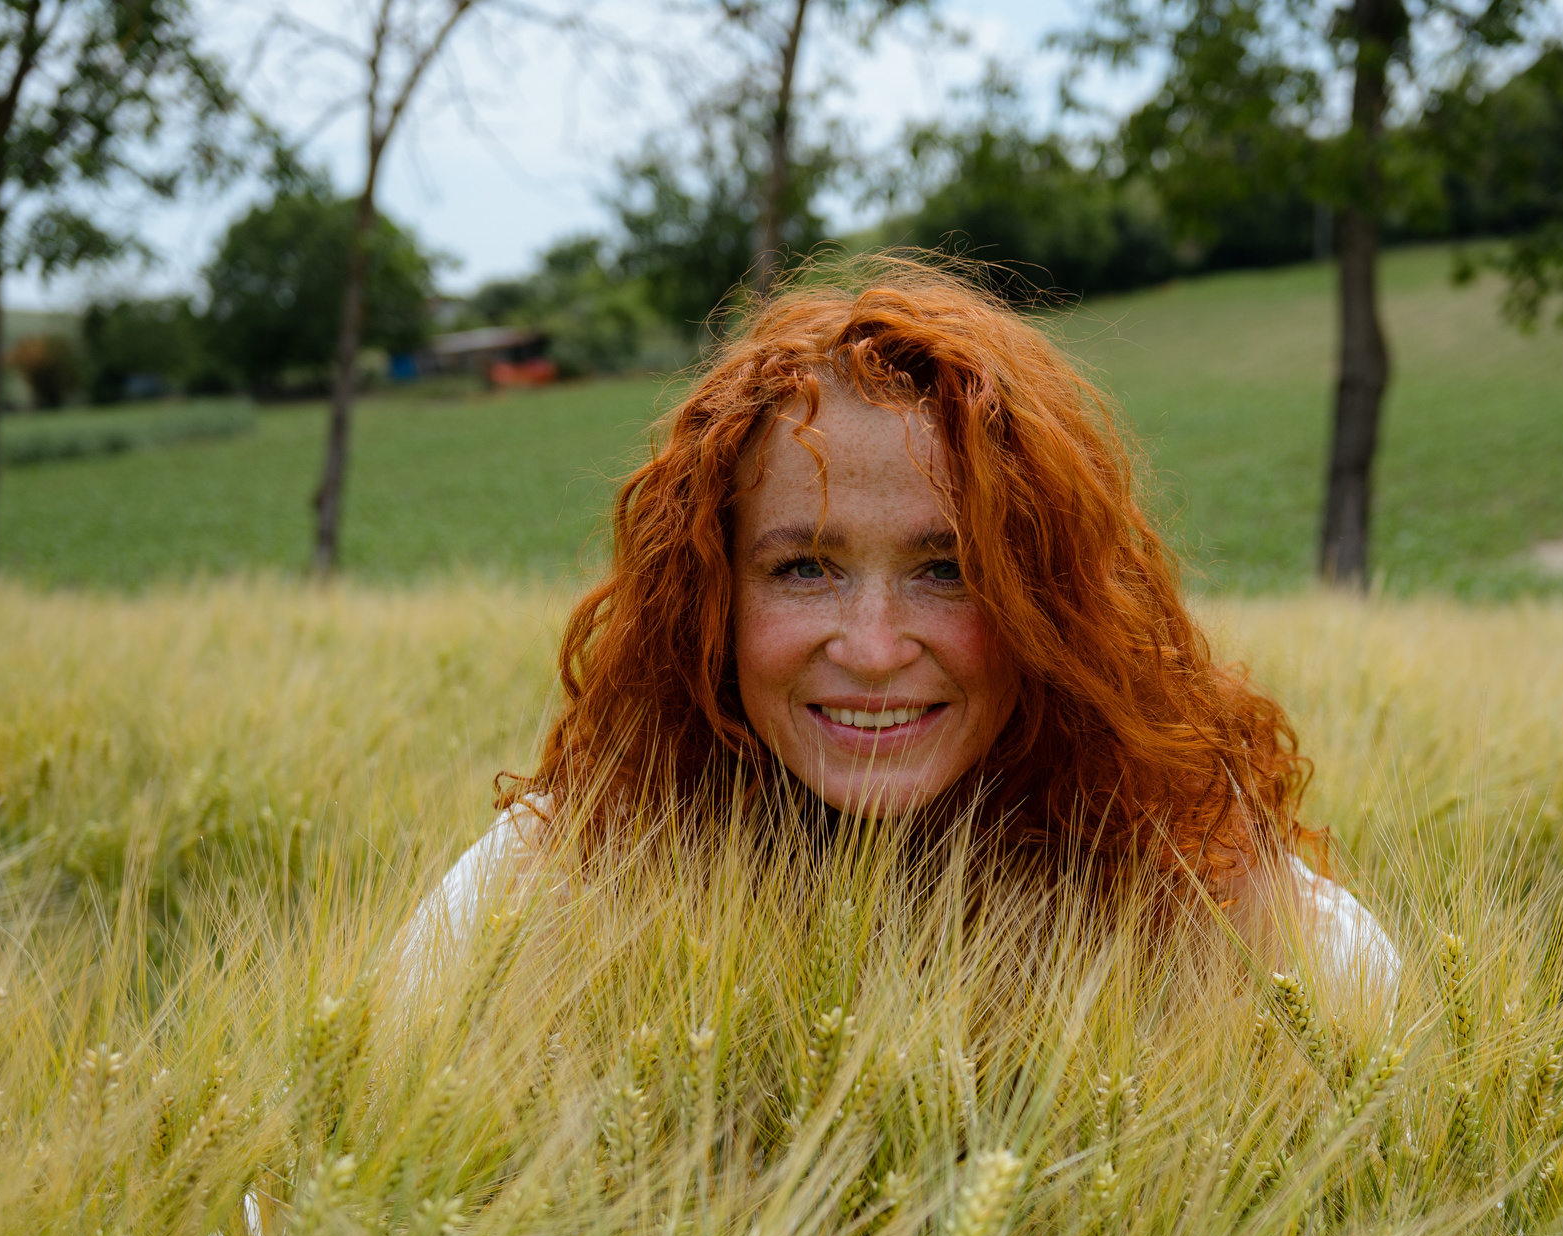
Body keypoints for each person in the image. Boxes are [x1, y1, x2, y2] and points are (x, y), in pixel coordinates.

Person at [398, 262, 1396, 1003]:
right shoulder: (546, 888)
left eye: (947, 571)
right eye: (804, 568)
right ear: (710, 603)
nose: (872, 649)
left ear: (1047, 603)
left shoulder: (1231, 918)